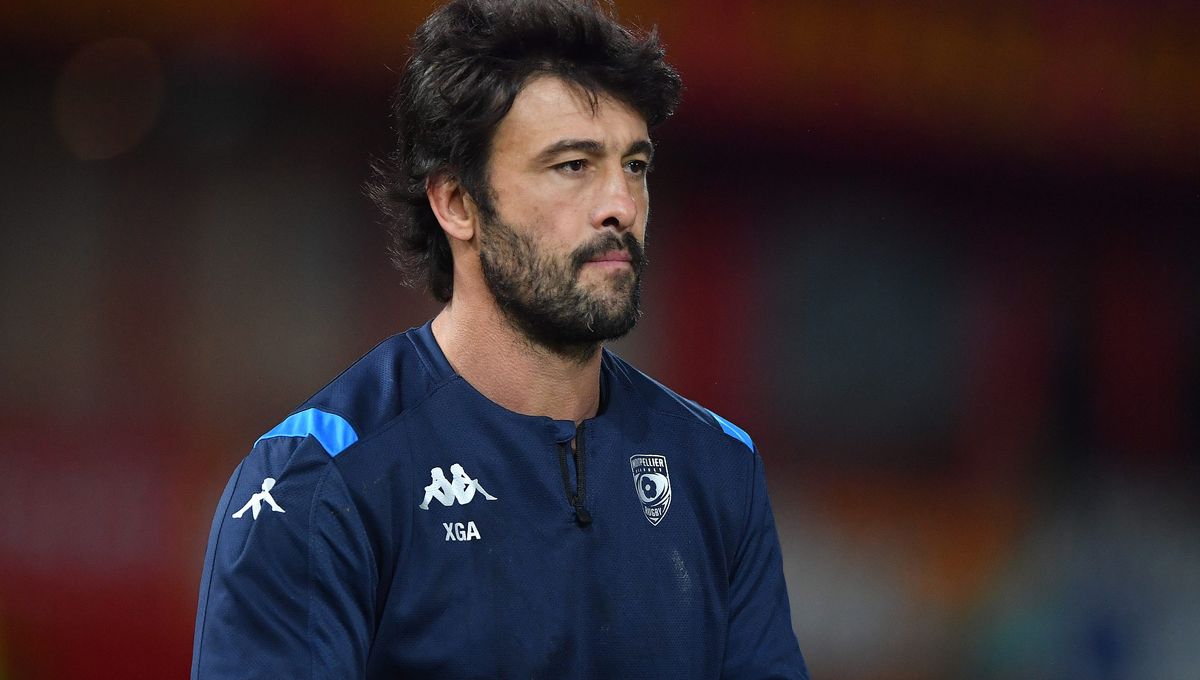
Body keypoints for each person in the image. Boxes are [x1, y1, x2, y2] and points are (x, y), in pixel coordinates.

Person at [191, 0, 808, 677]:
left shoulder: (718, 467)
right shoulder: (313, 479)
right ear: (457, 202)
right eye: (572, 165)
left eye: (634, 165)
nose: (621, 206)